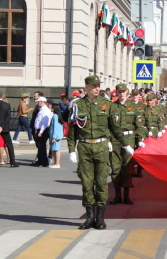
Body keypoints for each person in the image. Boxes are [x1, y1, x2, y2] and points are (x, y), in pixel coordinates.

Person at [67, 75, 130, 230]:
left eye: (98, 85)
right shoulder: (77, 105)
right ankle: (89, 217)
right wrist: (71, 150)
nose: (97, 88)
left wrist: (125, 144)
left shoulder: (107, 104)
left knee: (101, 183)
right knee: (87, 183)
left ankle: (100, 218)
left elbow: (114, 128)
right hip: (85, 148)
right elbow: (72, 130)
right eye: (94, 86)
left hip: (101, 148)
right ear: (86, 87)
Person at [109, 84, 142, 205]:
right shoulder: (112, 107)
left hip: (129, 139)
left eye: (123, 92)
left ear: (127, 93)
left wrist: (140, 139)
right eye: (119, 92)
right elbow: (109, 125)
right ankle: (117, 195)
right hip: (115, 140)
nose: (121, 94)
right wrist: (108, 140)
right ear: (116, 93)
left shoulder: (133, 107)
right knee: (115, 169)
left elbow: (139, 125)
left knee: (128, 168)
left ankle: (127, 196)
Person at [0, 93, 19, 167]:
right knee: (9, 144)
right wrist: (2, 126)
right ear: (2, 97)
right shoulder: (7, 105)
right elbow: (8, 118)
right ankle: (12, 161)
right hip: (4, 128)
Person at [32, 96, 52, 167]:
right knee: (40, 146)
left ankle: (44, 162)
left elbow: (45, 122)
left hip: (43, 130)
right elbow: (37, 121)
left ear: (42, 102)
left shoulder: (46, 110)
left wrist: (41, 131)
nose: (37, 103)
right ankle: (40, 161)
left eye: (38, 102)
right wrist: (35, 131)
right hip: (38, 130)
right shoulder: (41, 109)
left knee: (42, 146)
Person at [49, 102, 64, 169]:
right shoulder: (57, 115)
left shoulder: (55, 116)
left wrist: (54, 137)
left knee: (56, 150)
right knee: (53, 149)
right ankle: (55, 163)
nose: (51, 108)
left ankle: (57, 163)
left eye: (52, 107)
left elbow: (55, 127)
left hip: (55, 136)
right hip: (56, 135)